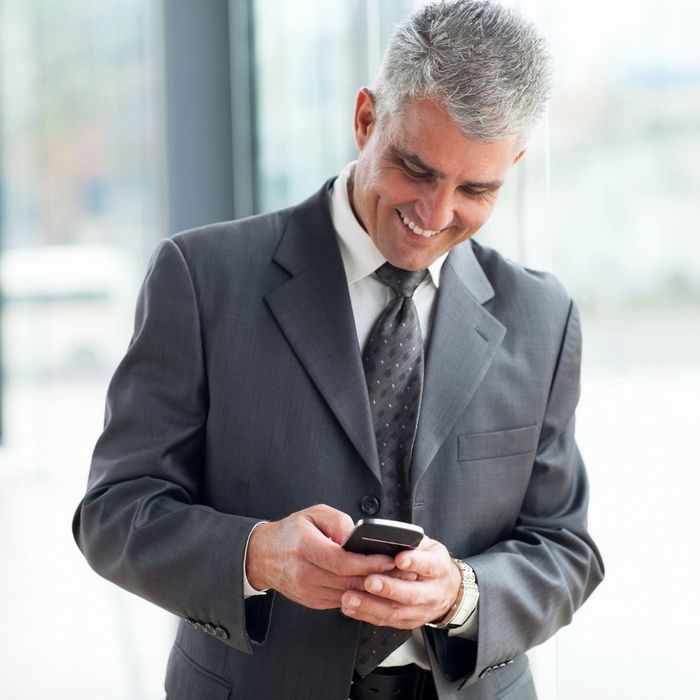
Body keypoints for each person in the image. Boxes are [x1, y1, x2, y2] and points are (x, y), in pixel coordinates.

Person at [73, 1, 604, 698]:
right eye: (415, 169)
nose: (435, 216)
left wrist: (463, 594)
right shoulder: (203, 278)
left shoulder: (542, 316)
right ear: (364, 119)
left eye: (476, 188)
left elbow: (565, 548)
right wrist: (256, 555)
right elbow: (115, 512)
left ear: (514, 165)